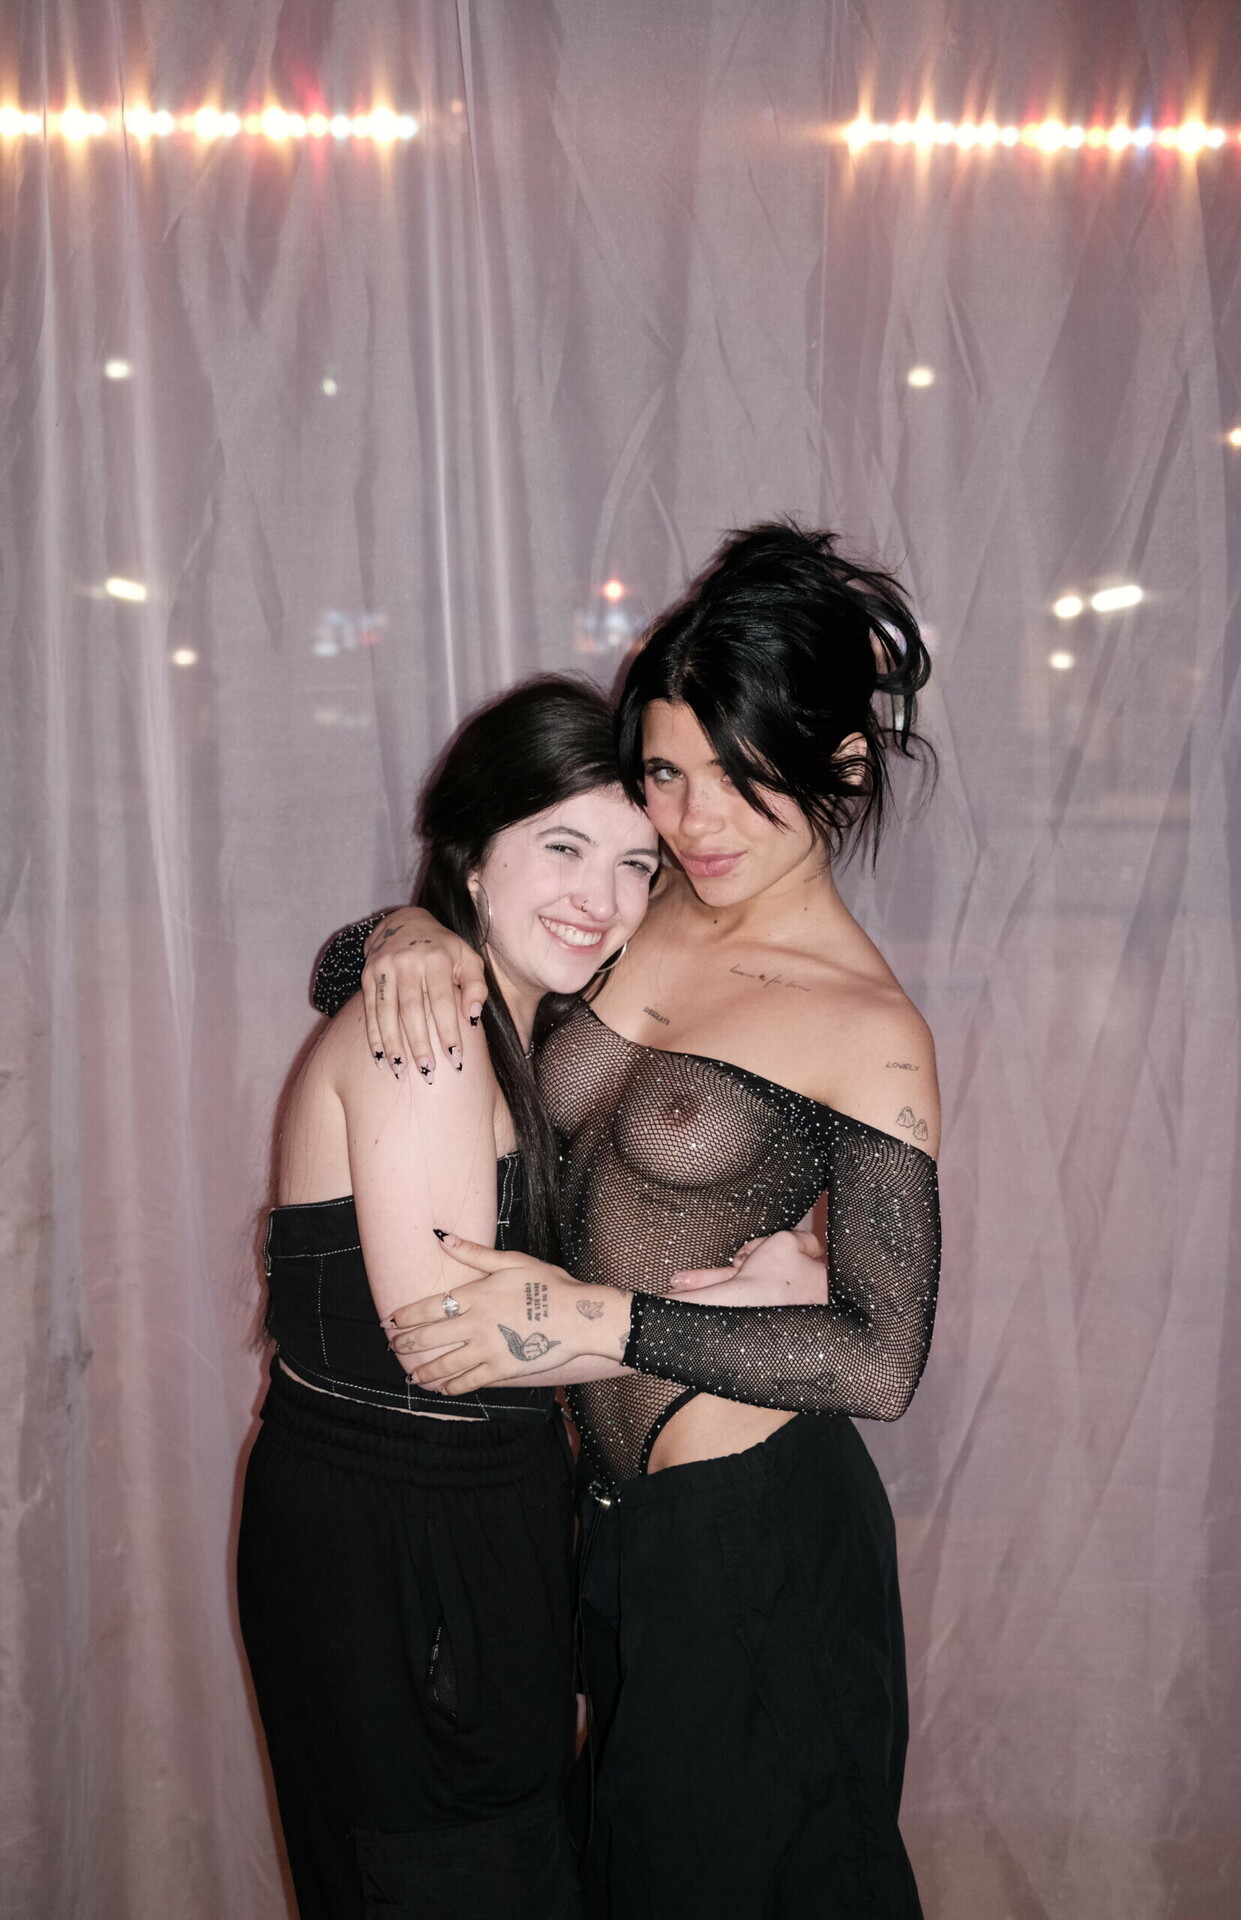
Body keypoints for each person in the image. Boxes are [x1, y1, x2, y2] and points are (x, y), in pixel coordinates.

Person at [313, 522, 943, 1918]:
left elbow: (882, 1356)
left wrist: (603, 1321)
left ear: (842, 768)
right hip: (607, 1524)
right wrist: (399, 934)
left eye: (743, 777)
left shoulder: (866, 1024)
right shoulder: (642, 903)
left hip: (754, 1543)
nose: (694, 821)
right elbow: (466, 955)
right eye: (668, 772)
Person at [237, 677, 667, 1920]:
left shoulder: (501, 1016)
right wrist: (745, 1333)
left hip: (446, 1523)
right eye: (563, 847)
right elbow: (445, 1344)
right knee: (440, 1878)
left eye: (635, 865)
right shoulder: (429, 1036)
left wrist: (395, 928)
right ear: (475, 856)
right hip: (398, 1542)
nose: (601, 898)